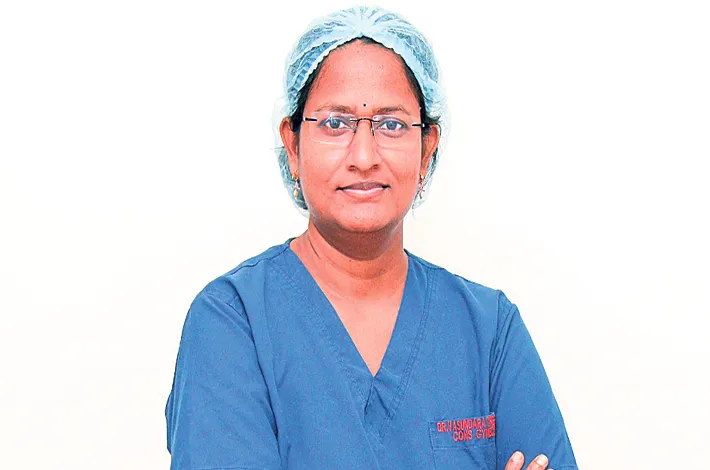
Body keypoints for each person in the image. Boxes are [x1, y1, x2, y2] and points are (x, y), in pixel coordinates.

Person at [165, 6, 578, 470]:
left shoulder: (488, 331)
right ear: (293, 146)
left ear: (427, 150)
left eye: (392, 125)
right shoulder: (232, 322)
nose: (364, 156)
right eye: (335, 123)